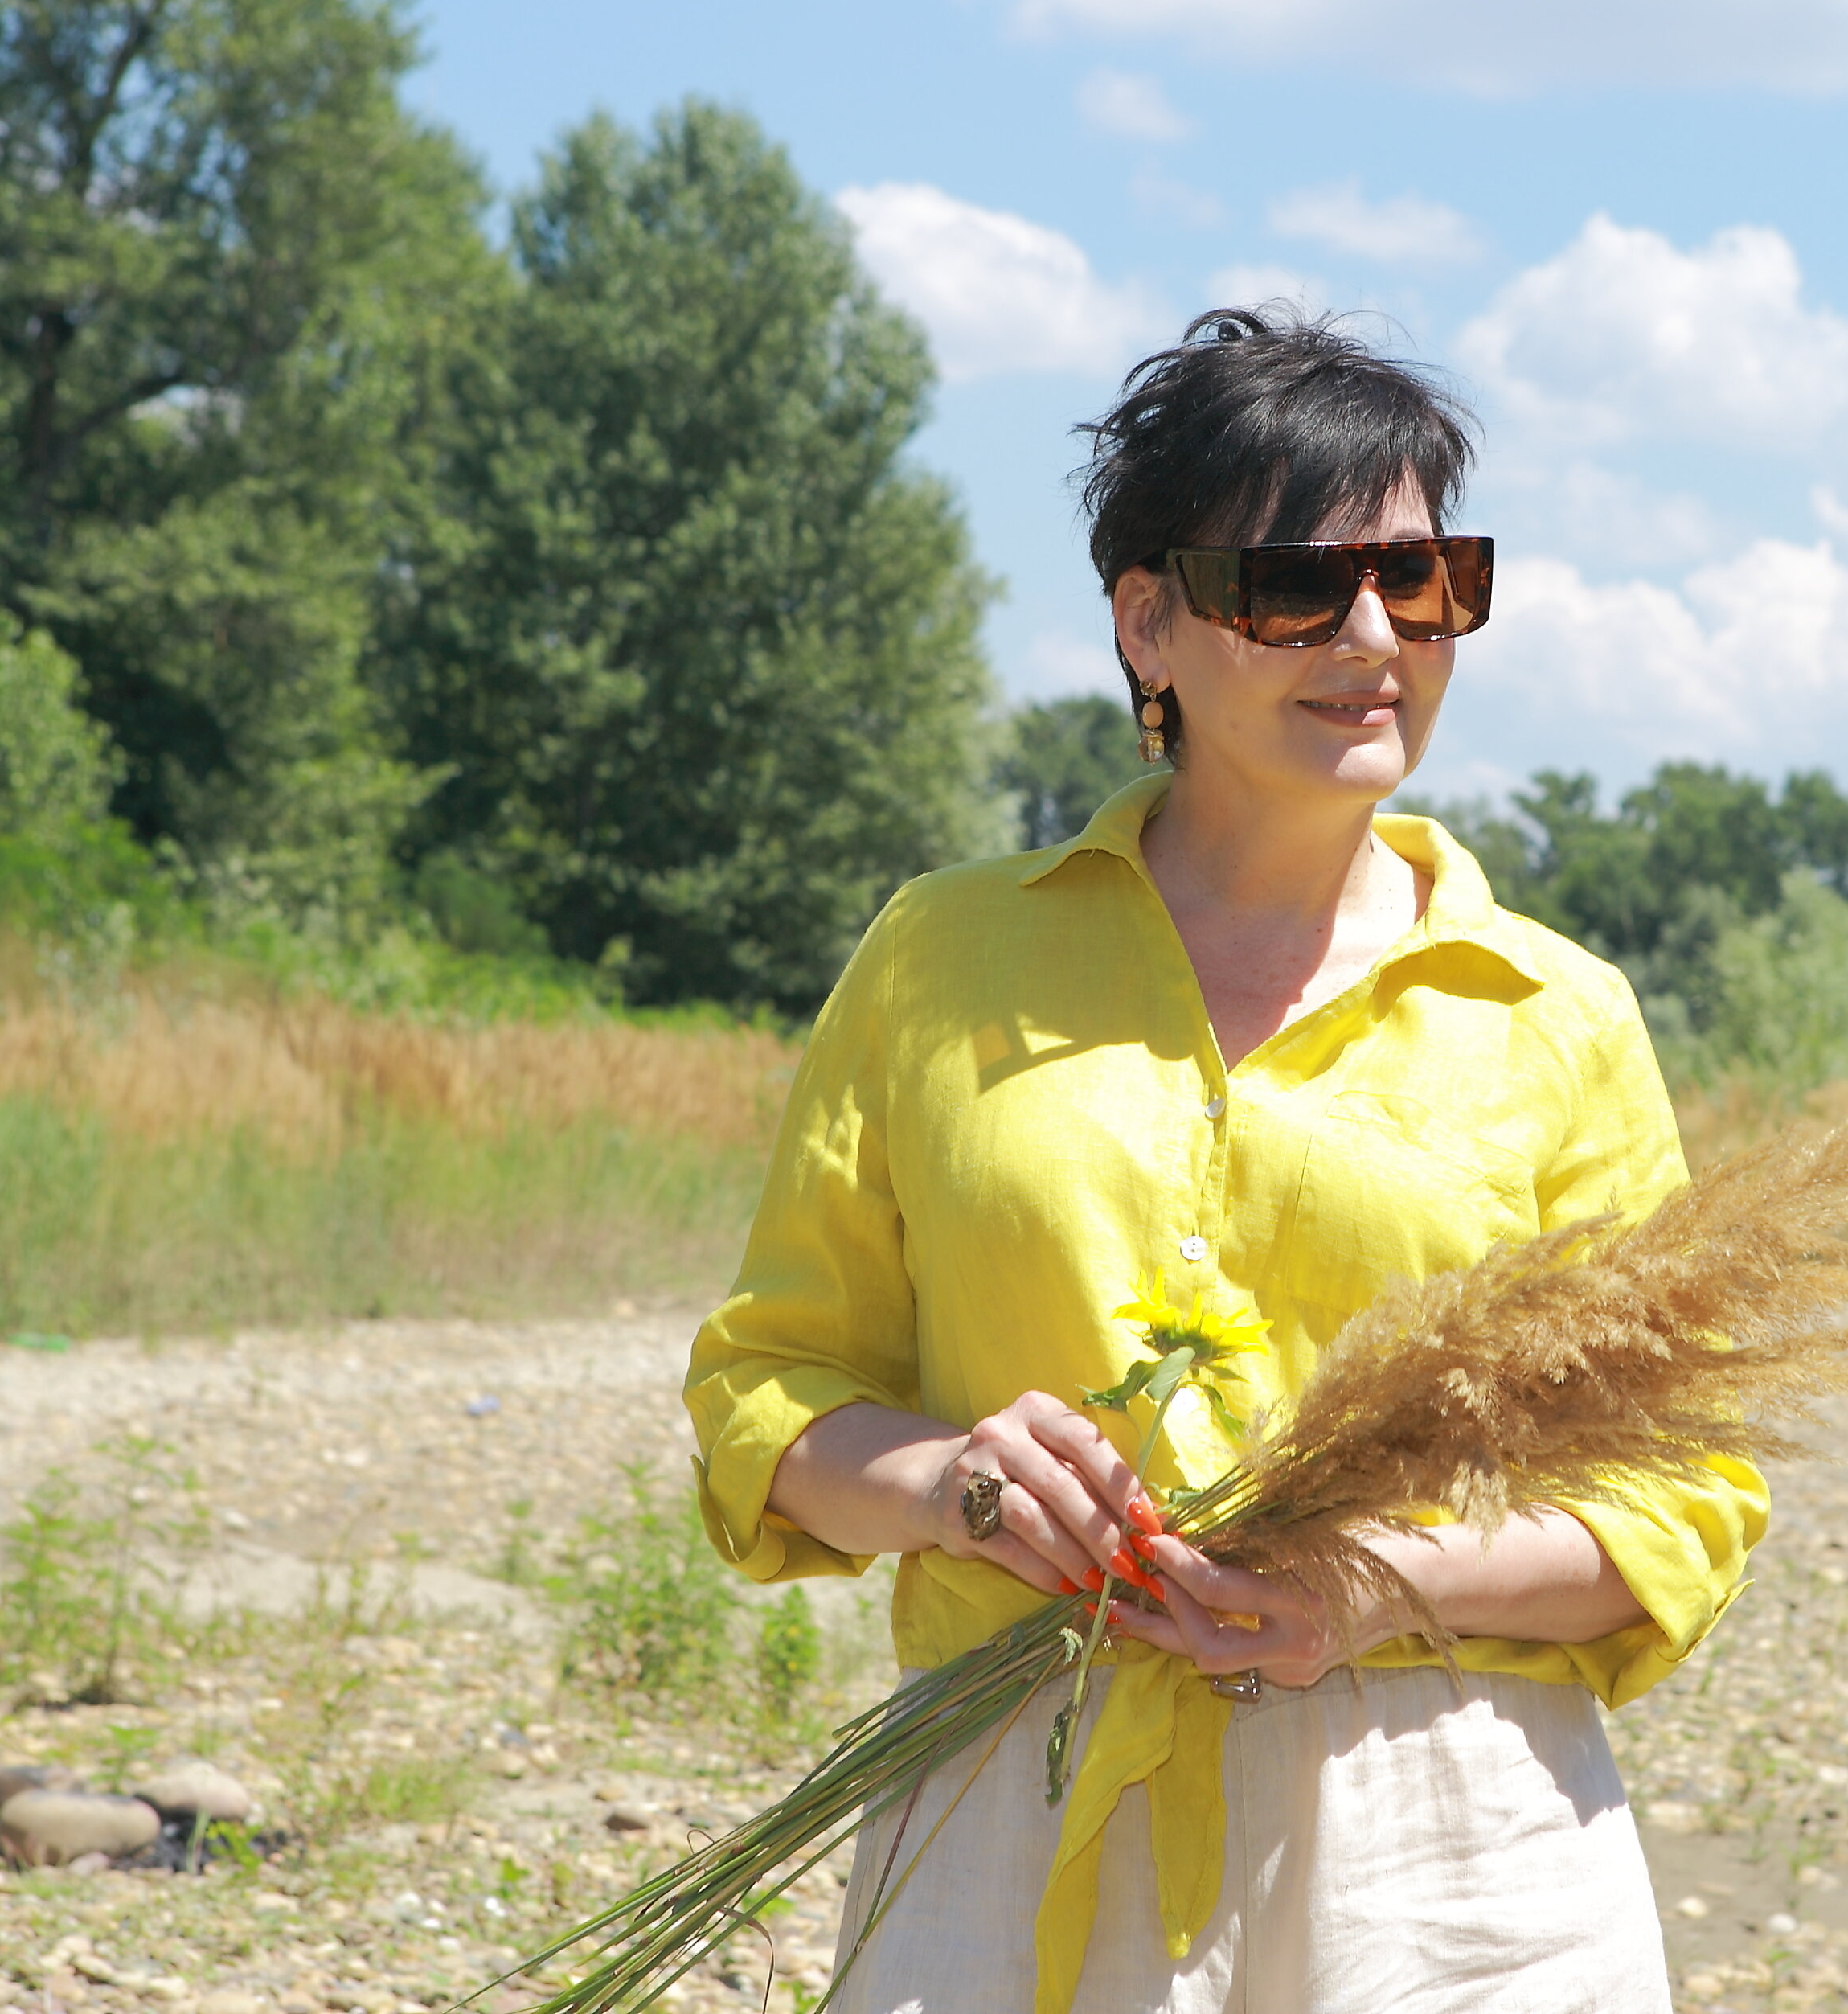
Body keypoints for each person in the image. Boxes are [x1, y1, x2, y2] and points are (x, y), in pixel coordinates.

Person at [684, 308, 1766, 2014]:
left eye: (1420, 581)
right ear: (1149, 622)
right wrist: (958, 1482)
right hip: (1004, 1785)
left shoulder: (1556, 1012)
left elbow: (1676, 1493)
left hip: (1445, 1840)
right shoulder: (937, 956)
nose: (1369, 636)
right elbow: (770, 1390)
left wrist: (1370, 1580)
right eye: (1291, 585)